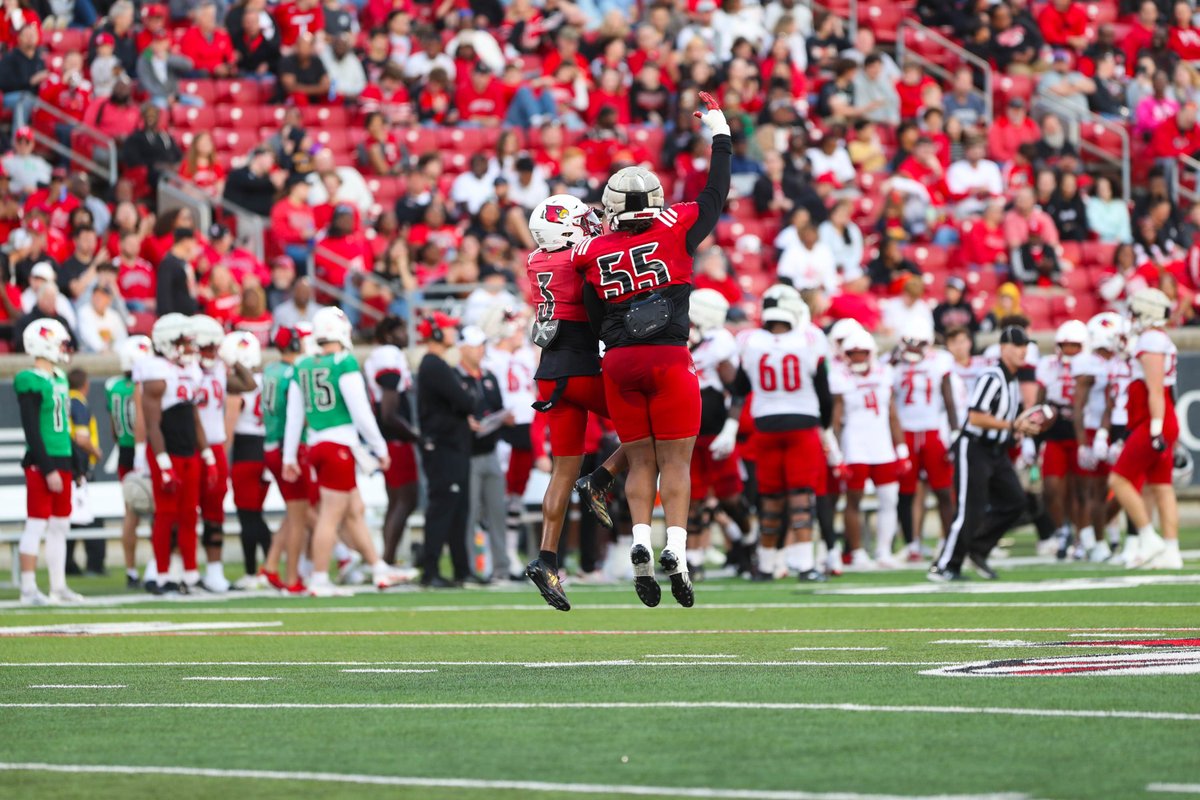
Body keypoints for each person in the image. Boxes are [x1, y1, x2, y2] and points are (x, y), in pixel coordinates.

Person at [570, 91, 731, 608]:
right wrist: (720, 131)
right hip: (667, 358)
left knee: (640, 462)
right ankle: (676, 550)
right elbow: (717, 190)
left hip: (618, 361)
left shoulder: (591, 250)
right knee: (676, 461)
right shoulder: (677, 226)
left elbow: (593, 313)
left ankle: (639, 539)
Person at [522, 194, 626, 610]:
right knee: (649, 427)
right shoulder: (579, 257)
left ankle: (546, 559)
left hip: (549, 374)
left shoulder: (535, 261)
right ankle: (601, 478)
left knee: (562, 470)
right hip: (581, 366)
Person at [282, 307, 407, 595]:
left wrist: (290, 456)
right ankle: (319, 577)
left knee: (355, 510)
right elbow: (360, 412)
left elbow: (295, 415)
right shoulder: (343, 362)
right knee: (331, 515)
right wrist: (379, 446)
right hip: (338, 445)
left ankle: (378, 567)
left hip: (317, 444)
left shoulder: (302, 365)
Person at [735, 284, 831, 581]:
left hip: (766, 425)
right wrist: (825, 427)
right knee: (801, 497)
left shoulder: (750, 342)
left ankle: (765, 565)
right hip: (802, 425)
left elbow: (739, 388)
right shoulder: (810, 340)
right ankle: (805, 564)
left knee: (770, 497)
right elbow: (824, 392)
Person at [930, 326, 1038, 582]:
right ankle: (945, 565)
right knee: (970, 509)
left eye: (1025, 345)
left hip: (997, 450)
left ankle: (978, 549)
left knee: (1015, 502)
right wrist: (1012, 426)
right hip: (975, 447)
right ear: (1003, 349)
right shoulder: (992, 375)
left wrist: (1017, 432)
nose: (1023, 350)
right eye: (1017, 345)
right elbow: (976, 417)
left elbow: (1003, 418)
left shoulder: (1012, 379)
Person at [136, 313, 211, 594]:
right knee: (166, 516)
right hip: (168, 452)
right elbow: (153, 423)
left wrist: (208, 456)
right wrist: (163, 461)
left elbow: (194, 417)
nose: (189, 348)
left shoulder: (190, 370)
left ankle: (190, 575)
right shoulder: (155, 371)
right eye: (183, 341)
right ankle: (163, 576)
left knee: (191, 515)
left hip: (189, 451)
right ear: (167, 342)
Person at [1109, 288, 1183, 569]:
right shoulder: (1156, 338)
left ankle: (1147, 536)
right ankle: (1172, 550)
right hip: (1161, 416)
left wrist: (1154, 428)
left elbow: (1154, 389)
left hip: (1154, 418)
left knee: (1118, 480)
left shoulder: (1151, 338)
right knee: (1162, 486)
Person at [686, 288, 753, 576]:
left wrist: (730, 428)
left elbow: (738, 388)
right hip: (686, 432)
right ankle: (691, 560)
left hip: (715, 431)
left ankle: (749, 543)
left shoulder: (719, 342)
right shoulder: (681, 335)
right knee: (692, 498)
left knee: (730, 497)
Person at [14, 318, 79, 605]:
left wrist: (74, 463)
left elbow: (63, 426)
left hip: (62, 457)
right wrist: (48, 467)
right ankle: (28, 588)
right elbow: (31, 430)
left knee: (60, 525)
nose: (64, 348)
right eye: (60, 342)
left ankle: (58, 585)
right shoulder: (30, 380)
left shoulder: (60, 378)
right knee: (37, 523)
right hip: (42, 462)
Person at [830, 328, 907, 568]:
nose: (858, 358)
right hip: (855, 445)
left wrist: (901, 449)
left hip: (882, 444)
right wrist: (837, 453)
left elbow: (892, 414)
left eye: (862, 353)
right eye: (853, 353)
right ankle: (857, 551)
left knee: (889, 498)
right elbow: (836, 418)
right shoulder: (839, 376)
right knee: (854, 499)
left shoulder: (885, 373)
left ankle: (884, 550)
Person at [415, 311, 475, 588]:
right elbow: (465, 401)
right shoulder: (434, 365)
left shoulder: (438, 365)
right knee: (443, 509)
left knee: (458, 509)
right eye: (449, 329)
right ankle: (431, 571)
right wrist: (466, 398)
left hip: (452, 446)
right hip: (444, 448)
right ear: (437, 333)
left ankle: (462, 569)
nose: (453, 332)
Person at [892, 318, 959, 563]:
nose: (913, 348)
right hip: (906, 432)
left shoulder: (940, 360)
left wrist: (954, 433)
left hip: (932, 431)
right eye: (908, 343)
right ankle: (911, 543)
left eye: (918, 343)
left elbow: (949, 398)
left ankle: (947, 540)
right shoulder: (892, 364)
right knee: (906, 492)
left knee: (943, 490)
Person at [193, 315, 251, 592]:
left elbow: (248, 383)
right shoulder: (185, 369)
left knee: (215, 513)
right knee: (185, 512)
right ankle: (183, 569)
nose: (211, 351)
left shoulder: (219, 368)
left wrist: (231, 359)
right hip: (190, 447)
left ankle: (214, 571)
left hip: (215, 446)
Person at [260, 323, 317, 592]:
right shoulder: (294, 373)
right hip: (287, 447)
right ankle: (292, 577)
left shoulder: (270, 369)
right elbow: (298, 414)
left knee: (294, 511)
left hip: (271, 444)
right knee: (299, 515)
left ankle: (271, 565)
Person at [362, 316, 419, 566]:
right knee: (406, 499)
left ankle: (387, 559)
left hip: (391, 439)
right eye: (400, 330)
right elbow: (389, 411)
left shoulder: (381, 354)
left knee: (397, 501)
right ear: (387, 334)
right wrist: (415, 435)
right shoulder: (388, 354)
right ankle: (386, 560)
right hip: (395, 440)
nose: (405, 335)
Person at [1071, 313, 1127, 562]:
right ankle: (1097, 542)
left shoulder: (1121, 361)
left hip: (1118, 429)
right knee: (1095, 491)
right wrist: (1084, 443)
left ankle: (1097, 536)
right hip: (1095, 430)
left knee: (1123, 487)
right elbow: (1079, 406)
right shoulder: (1088, 363)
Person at [219, 331, 273, 588]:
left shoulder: (237, 388)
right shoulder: (267, 379)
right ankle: (265, 568)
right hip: (266, 450)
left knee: (248, 517)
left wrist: (221, 460)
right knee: (255, 514)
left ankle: (257, 571)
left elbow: (229, 430)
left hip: (246, 453)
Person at [1035, 320, 1089, 560]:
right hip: (1055, 426)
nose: (1068, 351)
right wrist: (1033, 436)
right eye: (1064, 346)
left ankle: (1081, 537)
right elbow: (1040, 399)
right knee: (1051, 486)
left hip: (1082, 427)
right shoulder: (1048, 365)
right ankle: (1061, 530)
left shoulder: (1092, 364)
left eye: (1074, 346)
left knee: (1081, 489)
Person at [106, 335, 153, 589]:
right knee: (159, 513)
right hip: (144, 450)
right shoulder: (143, 386)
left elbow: (114, 428)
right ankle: (158, 566)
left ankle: (131, 570)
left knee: (130, 514)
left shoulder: (113, 386)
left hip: (124, 451)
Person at [156, 227, 199, 315]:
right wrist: (167, 316)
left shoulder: (184, 262)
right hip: (175, 319)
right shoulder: (168, 263)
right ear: (185, 241)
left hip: (188, 316)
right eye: (193, 241)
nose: (195, 244)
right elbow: (164, 293)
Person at [76, 283, 127, 354]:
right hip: (89, 355)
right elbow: (90, 337)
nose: (98, 298)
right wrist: (102, 349)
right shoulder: (84, 312)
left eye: (102, 296)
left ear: (109, 300)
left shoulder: (114, 315)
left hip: (112, 355)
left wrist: (115, 351)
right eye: (96, 295)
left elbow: (122, 337)